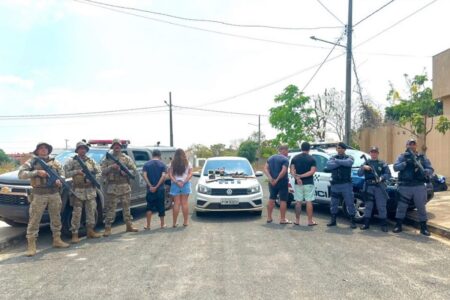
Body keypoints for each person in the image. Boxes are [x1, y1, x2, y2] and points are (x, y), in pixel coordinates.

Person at [18, 142, 69, 257]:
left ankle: (57, 240)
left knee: (56, 217)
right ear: (37, 150)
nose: (43, 150)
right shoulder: (32, 161)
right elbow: (21, 174)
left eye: (46, 148)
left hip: (54, 193)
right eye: (41, 148)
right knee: (34, 219)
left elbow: (62, 175)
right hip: (39, 194)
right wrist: (37, 172)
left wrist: (59, 181)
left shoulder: (55, 162)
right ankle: (31, 245)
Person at [393, 139, 434, 236]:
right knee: (401, 207)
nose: (411, 146)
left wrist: (426, 171)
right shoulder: (402, 156)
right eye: (409, 144)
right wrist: (405, 163)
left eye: (413, 144)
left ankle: (423, 228)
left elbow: (430, 168)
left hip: (419, 186)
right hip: (405, 186)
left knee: (421, 207)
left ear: (416, 145)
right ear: (406, 145)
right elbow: (395, 167)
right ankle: (398, 225)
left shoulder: (421, 157)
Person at [64, 141, 102, 243]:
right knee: (77, 213)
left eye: (84, 148)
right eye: (80, 148)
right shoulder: (72, 161)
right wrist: (77, 172)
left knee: (91, 211)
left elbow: (99, 172)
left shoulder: (91, 161)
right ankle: (75, 234)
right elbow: (65, 173)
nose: (83, 150)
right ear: (77, 150)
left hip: (90, 190)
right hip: (78, 191)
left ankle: (90, 231)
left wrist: (93, 178)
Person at [101, 139, 138, 236]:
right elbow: (102, 172)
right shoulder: (107, 159)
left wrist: (125, 172)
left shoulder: (126, 158)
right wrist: (111, 167)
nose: (116, 147)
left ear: (120, 147)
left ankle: (129, 225)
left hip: (124, 186)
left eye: (118, 145)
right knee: (111, 208)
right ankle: (108, 228)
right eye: (115, 145)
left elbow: (134, 170)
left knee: (126, 207)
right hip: (112, 187)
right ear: (112, 147)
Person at [357, 146, 391, 232]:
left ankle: (383, 225)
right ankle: (366, 224)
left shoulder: (382, 163)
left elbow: (388, 174)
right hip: (369, 187)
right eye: (372, 152)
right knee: (368, 206)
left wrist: (382, 177)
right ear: (370, 153)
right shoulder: (366, 162)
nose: (373, 154)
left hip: (379, 186)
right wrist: (363, 167)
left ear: (378, 153)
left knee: (381, 206)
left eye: (375, 152)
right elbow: (359, 174)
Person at [325, 142, 357, 229]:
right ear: (336, 149)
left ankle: (352, 221)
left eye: (341, 148)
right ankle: (333, 220)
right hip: (335, 184)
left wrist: (337, 162)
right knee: (334, 203)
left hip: (346, 184)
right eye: (338, 148)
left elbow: (349, 163)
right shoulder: (332, 157)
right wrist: (341, 162)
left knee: (350, 203)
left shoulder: (349, 157)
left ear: (344, 149)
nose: (340, 149)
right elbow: (328, 165)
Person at [290, 142, 317, 226]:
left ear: (301, 148)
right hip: (309, 183)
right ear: (309, 149)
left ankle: (297, 220)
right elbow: (312, 171)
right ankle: (309, 221)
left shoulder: (295, 158)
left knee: (298, 202)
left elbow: (291, 171)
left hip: (298, 183)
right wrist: (302, 176)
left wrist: (298, 178)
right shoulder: (312, 159)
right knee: (309, 201)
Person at [264, 144, 291, 224]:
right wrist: (277, 179)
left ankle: (269, 218)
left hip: (272, 182)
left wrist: (270, 178)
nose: (287, 153)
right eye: (287, 151)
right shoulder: (285, 159)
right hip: (282, 182)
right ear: (284, 150)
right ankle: (282, 219)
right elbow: (284, 171)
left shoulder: (270, 158)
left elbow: (265, 168)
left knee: (271, 198)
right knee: (283, 200)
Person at [142, 149, 167, 229]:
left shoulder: (146, 164)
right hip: (160, 189)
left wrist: (150, 186)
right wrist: (156, 186)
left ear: (152, 155)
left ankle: (148, 225)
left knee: (149, 207)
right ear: (159, 156)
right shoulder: (163, 165)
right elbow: (163, 176)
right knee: (161, 206)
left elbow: (144, 175)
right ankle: (162, 224)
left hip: (150, 190)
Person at [169, 149, 192, 227]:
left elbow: (170, 175)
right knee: (184, 203)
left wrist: (176, 182)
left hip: (175, 184)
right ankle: (185, 222)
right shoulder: (188, 163)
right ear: (183, 154)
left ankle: (174, 223)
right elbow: (190, 174)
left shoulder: (172, 163)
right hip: (185, 184)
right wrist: (184, 182)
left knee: (176, 203)